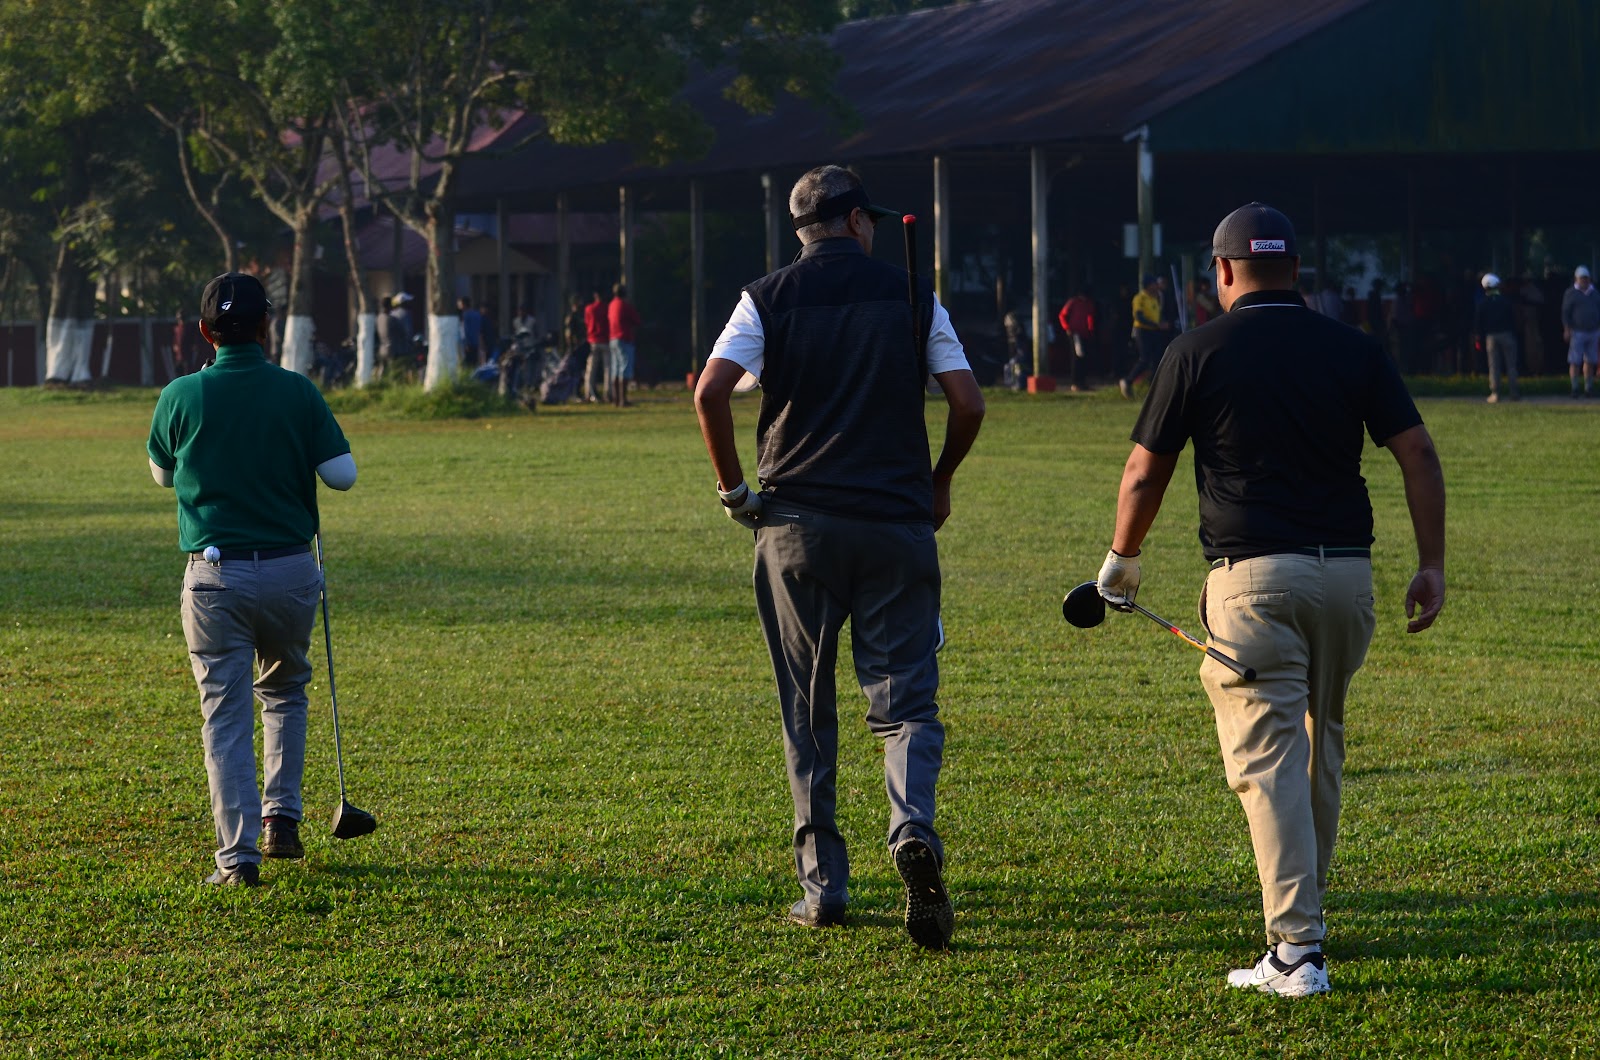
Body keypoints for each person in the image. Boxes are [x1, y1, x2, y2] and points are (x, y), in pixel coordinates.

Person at [1095, 203, 1445, 997]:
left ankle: (1296, 950)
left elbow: (1144, 473)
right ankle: (1306, 923)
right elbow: (1416, 452)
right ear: (1295, 271)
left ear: (1221, 272)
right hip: (1348, 578)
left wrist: (1121, 560)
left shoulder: (1195, 349)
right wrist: (1433, 563)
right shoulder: (1354, 347)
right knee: (1320, 749)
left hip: (1253, 581)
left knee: (1269, 762)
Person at [693, 164, 985, 950]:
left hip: (794, 526)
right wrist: (940, 481)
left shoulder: (765, 296)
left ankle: (823, 889)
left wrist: (735, 494)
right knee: (906, 703)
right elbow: (967, 402)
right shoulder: (913, 298)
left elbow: (711, 392)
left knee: (806, 707)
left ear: (802, 229)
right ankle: (910, 829)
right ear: (856, 220)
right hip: (895, 525)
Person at [146, 272, 358, 887]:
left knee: (226, 716)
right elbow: (341, 476)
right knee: (286, 691)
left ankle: (238, 858)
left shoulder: (179, 395)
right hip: (292, 570)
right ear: (266, 328)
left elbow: (161, 475)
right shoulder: (296, 390)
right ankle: (281, 819)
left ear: (206, 331)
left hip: (215, 578)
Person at [1118, 273, 1172, 398]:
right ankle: (1128, 380)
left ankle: (1154, 388)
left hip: (1155, 331)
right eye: (1154, 284)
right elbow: (1139, 316)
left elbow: (1158, 314)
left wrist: (1162, 323)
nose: (1156, 286)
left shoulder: (1155, 298)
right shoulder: (1139, 298)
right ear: (1149, 285)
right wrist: (1156, 324)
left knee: (1157, 359)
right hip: (1142, 331)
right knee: (1145, 359)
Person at [1474, 272, 1519, 403]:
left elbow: (1478, 323)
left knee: (1494, 366)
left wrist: (1478, 337)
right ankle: (1514, 392)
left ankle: (1495, 393)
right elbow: (1513, 319)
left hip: (1491, 337)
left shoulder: (1482, 303)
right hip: (1507, 335)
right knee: (1511, 365)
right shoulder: (1506, 301)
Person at [1562, 265, 1599, 398]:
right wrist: (1567, 329)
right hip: (1577, 331)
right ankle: (1575, 388)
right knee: (1575, 361)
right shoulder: (1571, 293)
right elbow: (1565, 313)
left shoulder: (1594, 293)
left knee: (1590, 361)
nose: (1584, 281)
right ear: (1576, 279)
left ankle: (1588, 388)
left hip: (1593, 331)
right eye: (1582, 278)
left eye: (1586, 278)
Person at [608, 283, 641, 406]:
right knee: (625, 369)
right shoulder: (625, 305)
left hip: (612, 338)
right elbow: (637, 320)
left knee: (615, 369)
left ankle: (616, 399)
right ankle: (623, 399)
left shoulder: (611, 305)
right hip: (624, 338)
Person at [1058, 286, 1096, 391]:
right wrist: (1067, 328)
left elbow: (1090, 318)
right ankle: (1075, 382)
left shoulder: (1088, 303)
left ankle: (1082, 381)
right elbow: (1062, 315)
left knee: (1084, 358)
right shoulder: (1073, 302)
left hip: (1085, 334)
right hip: (1075, 333)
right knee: (1077, 357)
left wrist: (1090, 330)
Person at [582, 291, 609, 403]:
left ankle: (589, 393)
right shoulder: (607, 308)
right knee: (608, 369)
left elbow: (587, 323)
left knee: (591, 370)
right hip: (605, 340)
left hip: (592, 340)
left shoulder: (589, 309)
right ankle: (608, 393)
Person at [458, 296, 484, 367]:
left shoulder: (465, 315)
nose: (459, 306)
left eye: (460, 304)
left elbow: (465, 330)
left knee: (467, 364)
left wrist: (466, 343)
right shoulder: (477, 314)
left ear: (464, 304)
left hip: (468, 344)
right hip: (476, 342)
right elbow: (479, 330)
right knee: (474, 363)